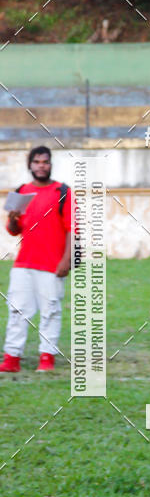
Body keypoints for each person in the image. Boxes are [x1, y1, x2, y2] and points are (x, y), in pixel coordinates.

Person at [0, 146, 72, 373]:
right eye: (37, 162)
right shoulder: (22, 191)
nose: (41, 166)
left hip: (52, 264)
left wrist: (66, 260)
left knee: (50, 311)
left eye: (45, 162)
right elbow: (14, 230)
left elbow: (72, 229)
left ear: (50, 164)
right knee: (17, 310)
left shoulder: (63, 191)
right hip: (24, 263)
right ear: (30, 165)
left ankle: (46, 358)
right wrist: (13, 219)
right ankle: (12, 359)